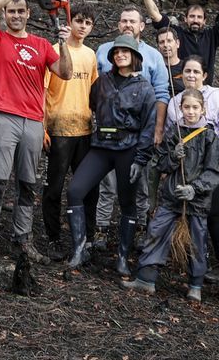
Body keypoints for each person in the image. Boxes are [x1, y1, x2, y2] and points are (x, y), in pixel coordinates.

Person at [0, 0, 72, 262]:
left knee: (27, 183)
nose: (16, 15)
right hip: (4, 116)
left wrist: (64, 44)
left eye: (21, 11)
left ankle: (23, 241)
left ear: (29, 14)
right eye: (12, 11)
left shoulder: (41, 44)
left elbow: (66, 73)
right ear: (6, 14)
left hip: (33, 121)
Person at [64, 35, 157, 276]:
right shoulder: (102, 81)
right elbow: (93, 104)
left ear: (134, 56)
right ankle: (79, 249)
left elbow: (148, 126)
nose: (120, 55)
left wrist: (141, 159)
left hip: (129, 148)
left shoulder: (144, 87)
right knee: (75, 190)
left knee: (127, 203)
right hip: (101, 146)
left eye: (125, 51)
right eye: (116, 52)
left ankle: (123, 258)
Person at [122, 89, 219, 302]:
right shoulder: (175, 132)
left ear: (203, 109)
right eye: (186, 107)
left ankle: (195, 284)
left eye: (195, 107)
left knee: (196, 239)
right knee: (156, 230)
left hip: (197, 201)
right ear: (180, 108)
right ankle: (145, 278)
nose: (190, 111)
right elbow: (160, 163)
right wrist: (172, 155)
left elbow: (214, 171)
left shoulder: (209, 136)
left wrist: (195, 188)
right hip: (171, 195)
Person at [92, 8, 170, 246]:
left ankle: (139, 229)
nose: (128, 24)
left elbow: (161, 94)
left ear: (142, 26)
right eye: (124, 20)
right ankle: (102, 229)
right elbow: (94, 88)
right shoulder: (105, 50)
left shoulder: (154, 56)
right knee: (107, 184)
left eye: (132, 21)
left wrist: (157, 129)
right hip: (107, 134)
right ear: (118, 24)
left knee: (140, 183)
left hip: (138, 133)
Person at [165, 57, 219, 281]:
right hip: (186, 167)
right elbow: (171, 134)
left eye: (196, 71)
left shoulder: (217, 97)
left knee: (213, 212)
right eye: (187, 71)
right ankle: (196, 259)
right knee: (189, 213)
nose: (191, 75)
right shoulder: (175, 102)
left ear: (204, 75)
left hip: (214, 164)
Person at [41, 4, 97, 245]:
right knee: (54, 186)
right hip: (58, 129)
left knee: (87, 187)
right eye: (79, 21)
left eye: (88, 23)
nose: (82, 26)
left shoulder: (91, 55)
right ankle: (53, 236)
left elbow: (93, 92)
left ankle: (86, 236)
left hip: (84, 129)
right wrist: (42, 127)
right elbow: (42, 91)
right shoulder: (54, 50)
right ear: (70, 22)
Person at [141, 0, 219, 84]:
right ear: (185, 19)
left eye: (199, 17)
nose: (195, 20)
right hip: (181, 87)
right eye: (192, 16)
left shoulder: (212, 36)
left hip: (204, 89)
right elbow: (156, 16)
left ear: (204, 20)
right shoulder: (177, 33)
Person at [156, 26, 185, 98]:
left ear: (177, 43)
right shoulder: (155, 69)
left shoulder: (187, 68)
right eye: (161, 42)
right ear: (158, 47)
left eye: (169, 41)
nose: (165, 45)